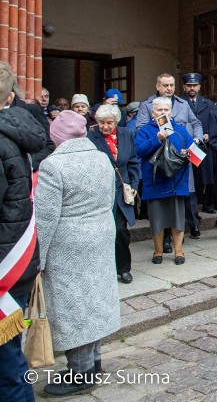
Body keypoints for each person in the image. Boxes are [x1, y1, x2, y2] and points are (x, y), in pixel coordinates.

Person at [34, 110, 121, 396]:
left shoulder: (52, 166)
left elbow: (45, 219)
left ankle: (80, 374)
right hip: (100, 235)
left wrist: (38, 259)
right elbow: (110, 198)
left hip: (68, 244)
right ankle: (93, 364)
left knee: (74, 307)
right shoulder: (101, 157)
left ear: (56, 136)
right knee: (93, 300)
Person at [0, 62, 47, 402]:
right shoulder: (14, 132)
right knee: (9, 352)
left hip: (6, 264)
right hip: (18, 262)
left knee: (8, 361)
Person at [135, 97, 193, 265]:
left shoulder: (180, 130)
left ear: (171, 112)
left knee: (177, 219)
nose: (163, 113)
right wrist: (157, 138)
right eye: (159, 110)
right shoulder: (145, 130)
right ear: (153, 113)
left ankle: (179, 252)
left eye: (166, 110)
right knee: (157, 219)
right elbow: (139, 150)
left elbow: (193, 152)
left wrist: (188, 153)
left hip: (176, 181)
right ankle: (158, 251)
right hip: (155, 182)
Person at [88, 104, 140, 284]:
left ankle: (123, 268)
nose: (105, 126)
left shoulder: (126, 134)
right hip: (100, 194)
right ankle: (103, 269)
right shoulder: (90, 136)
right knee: (101, 234)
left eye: (109, 123)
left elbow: (133, 161)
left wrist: (134, 183)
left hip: (121, 192)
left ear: (116, 122)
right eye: (101, 122)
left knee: (120, 231)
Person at [180, 73, 217, 226]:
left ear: (199, 86)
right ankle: (191, 215)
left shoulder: (208, 103)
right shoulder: (180, 102)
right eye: (189, 85)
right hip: (187, 147)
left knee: (205, 178)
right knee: (192, 181)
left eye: (194, 85)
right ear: (184, 87)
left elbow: (213, 122)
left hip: (204, 147)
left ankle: (206, 205)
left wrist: (209, 134)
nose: (192, 88)